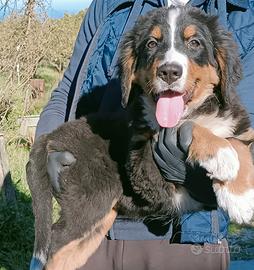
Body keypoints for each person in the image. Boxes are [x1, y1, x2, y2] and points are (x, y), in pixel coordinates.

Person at [31, 0, 254, 269]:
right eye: (152, 44)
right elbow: (68, 86)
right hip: (97, 216)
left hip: (184, 240)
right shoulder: (109, 4)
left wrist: (213, 168)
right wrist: (47, 148)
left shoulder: (243, 12)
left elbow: (243, 126)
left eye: (193, 44)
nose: (169, 65)